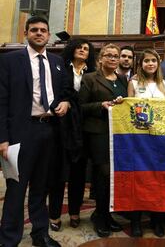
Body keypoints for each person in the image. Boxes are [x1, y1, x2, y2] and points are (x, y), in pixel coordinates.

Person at [0, 16, 70, 247]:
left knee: (41, 186)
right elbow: (1, 101)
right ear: (26, 33)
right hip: (21, 132)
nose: (39, 33)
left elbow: (64, 92)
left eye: (43, 30)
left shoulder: (57, 62)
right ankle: (9, 238)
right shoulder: (10, 61)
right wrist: (3, 138)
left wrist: (66, 103)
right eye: (34, 30)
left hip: (49, 131)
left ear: (49, 35)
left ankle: (40, 234)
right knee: (16, 188)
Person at [78, 44, 128, 238]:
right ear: (100, 58)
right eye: (109, 55)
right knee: (103, 175)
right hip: (97, 132)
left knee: (112, 177)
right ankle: (100, 216)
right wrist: (101, 105)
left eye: (116, 56)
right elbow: (81, 106)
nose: (113, 59)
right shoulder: (90, 78)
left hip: (118, 133)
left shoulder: (122, 79)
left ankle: (106, 215)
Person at [48, 38, 96, 232]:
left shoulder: (93, 72)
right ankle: (54, 214)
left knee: (78, 173)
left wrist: (72, 101)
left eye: (86, 48)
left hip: (83, 129)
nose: (82, 50)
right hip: (61, 127)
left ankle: (75, 212)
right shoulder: (59, 68)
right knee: (58, 174)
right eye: (79, 47)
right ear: (71, 49)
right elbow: (53, 93)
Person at [127, 49, 165, 237]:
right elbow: (128, 109)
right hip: (138, 139)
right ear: (141, 63)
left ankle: (157, 221)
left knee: (158, 180)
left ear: (158, 63)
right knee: (138, 180)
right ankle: (136, 221)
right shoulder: (134, 82)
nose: (150, 64)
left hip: (160, 140)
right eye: (146, 61)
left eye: (153, 60)